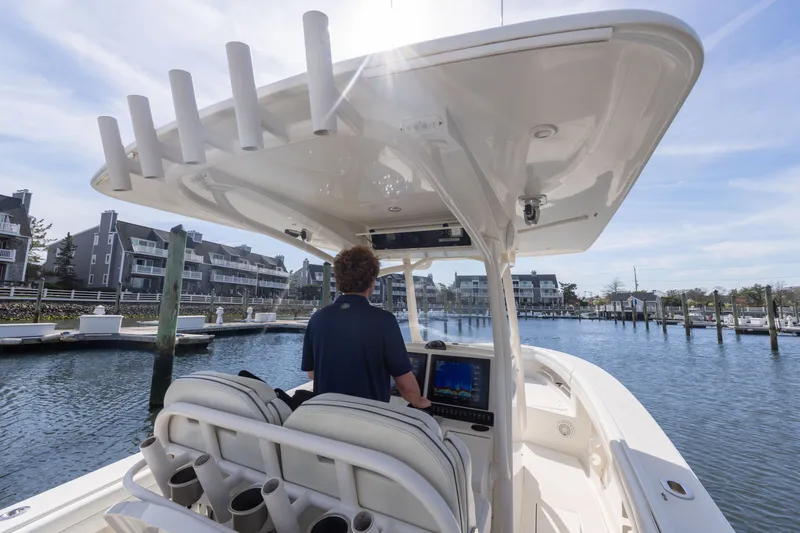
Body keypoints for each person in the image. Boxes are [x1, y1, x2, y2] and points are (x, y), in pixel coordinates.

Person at [301, 245, 431, 408]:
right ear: (372, 281)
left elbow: (312, 374)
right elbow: (405, 386)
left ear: (339, 280)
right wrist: (419, 401)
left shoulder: (317, 319)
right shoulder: (384, 321)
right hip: (368, 421)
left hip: (325, 415)